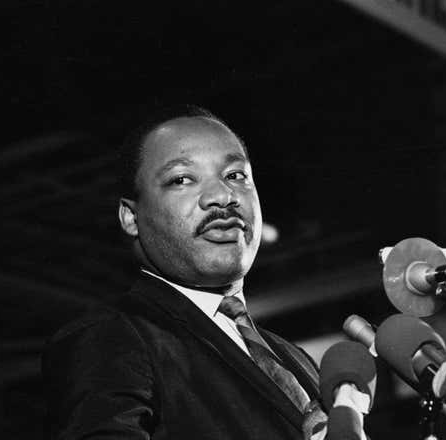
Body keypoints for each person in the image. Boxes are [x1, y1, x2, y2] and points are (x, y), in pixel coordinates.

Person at [43, 106, 327, 439]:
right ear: (131, 217)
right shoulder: (112, 336)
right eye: (181, 179)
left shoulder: (296, 359)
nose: (223, 196)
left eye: (236, 175)